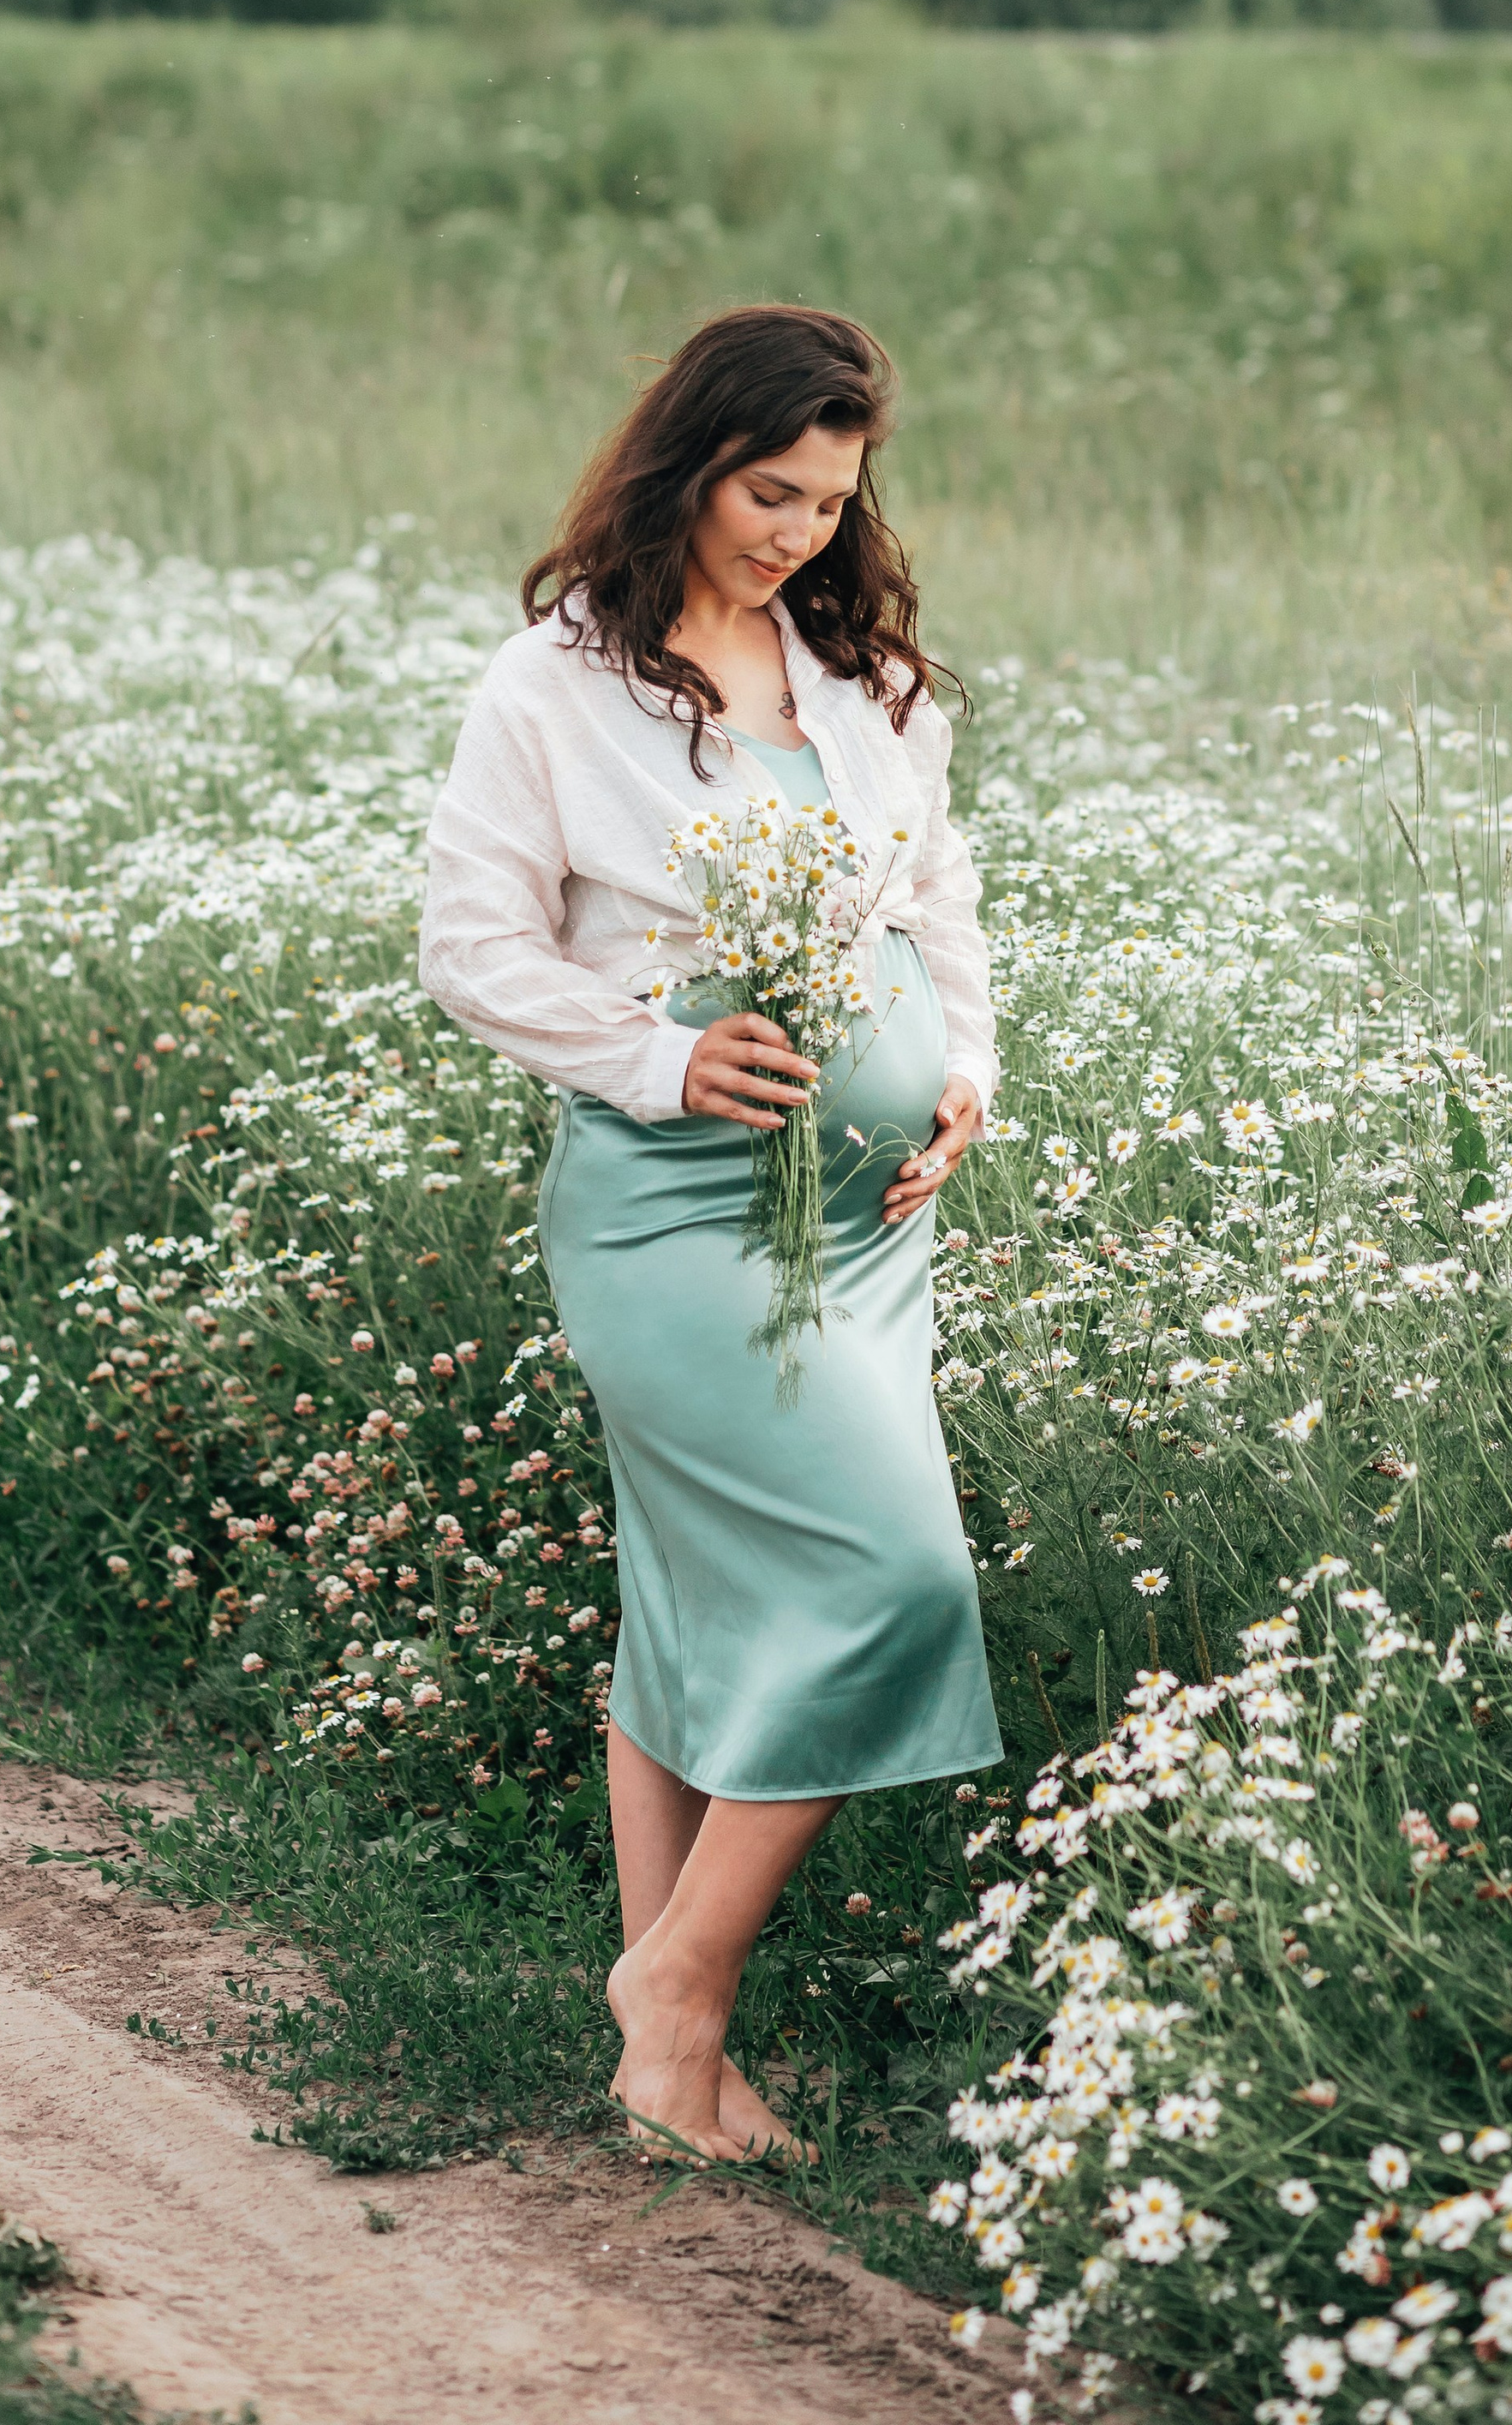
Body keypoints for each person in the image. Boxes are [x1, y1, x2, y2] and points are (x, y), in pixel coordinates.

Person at [418, 304, 1001, 2163]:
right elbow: (475, 952)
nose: (797, 534)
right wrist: (664, 1059)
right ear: (687, 461)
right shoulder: (552, 688)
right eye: (770, 492)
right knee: (896, 1579)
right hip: (670, 1216)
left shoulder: (871, 687)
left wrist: (962, 1079)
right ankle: (672, 1983)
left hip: (868, 1224)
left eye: (831, 503)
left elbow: (935, 899)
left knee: (688, 1609)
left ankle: (667, 2058)